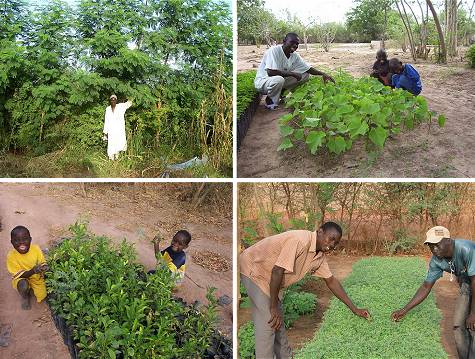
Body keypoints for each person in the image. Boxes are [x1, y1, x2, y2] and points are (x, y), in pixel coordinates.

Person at [239, 221, 370, 358]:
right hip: (254, 269)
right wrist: (273, 307)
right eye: (331, 239)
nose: (332, 245)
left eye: (336, 243)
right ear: (320, 231)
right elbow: (277, 271)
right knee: (269, 323)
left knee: (277, 322)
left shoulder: (319, 256)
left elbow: (331, 281)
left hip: (270, 279)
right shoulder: (300, 240)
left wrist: (355, 309)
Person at [391, 226, 475, 359]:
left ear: (448, 240)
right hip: (467, 283)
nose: (434, 249)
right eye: (431, 246)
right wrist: (404, 310)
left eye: (437, 244)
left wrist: (473, 312)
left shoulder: (466, 248)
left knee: (473, 326)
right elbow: (426, 287)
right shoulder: (437, 260)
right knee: (458, 326)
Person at [254, 32, 335, 110]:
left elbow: (308, 68)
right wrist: (292, 74)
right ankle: (270, 101)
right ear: (284, 41)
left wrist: (323, 74)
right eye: (292, 42)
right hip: (263, 82)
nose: (295, 45)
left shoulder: (294, 55)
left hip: (277, 81)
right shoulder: (274, 50)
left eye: (297, 44)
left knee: (305, 75)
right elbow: (270, 72)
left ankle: (281, 92)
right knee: (279, 79)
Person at [6, 226, 48, 310]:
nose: (21, 243)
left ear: (30, 239)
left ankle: (33, 288)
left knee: (42, 295)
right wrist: (33, 271)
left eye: (25, 239)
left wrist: (44, 267)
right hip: (21, 278)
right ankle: (25, 296)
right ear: (12, 242)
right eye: (17, 240)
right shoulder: (11, 256)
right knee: (23, 285)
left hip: (36, 277)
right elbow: (18, 275)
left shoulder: (36, 249)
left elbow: (42, 262)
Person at [103, 94, 133, 160]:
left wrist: (130, 94)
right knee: (111, 144)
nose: (113, 101)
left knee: (118, 143)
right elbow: (106, 121)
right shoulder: (107, 109)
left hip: (119, 130)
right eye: (112, 100)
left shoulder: (121, 106)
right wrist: (105, 133)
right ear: (110, 101)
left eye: (114, 100)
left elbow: (129, 103)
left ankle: (117, 158)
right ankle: (111, 159)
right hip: (111, 130)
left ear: (116, 101)